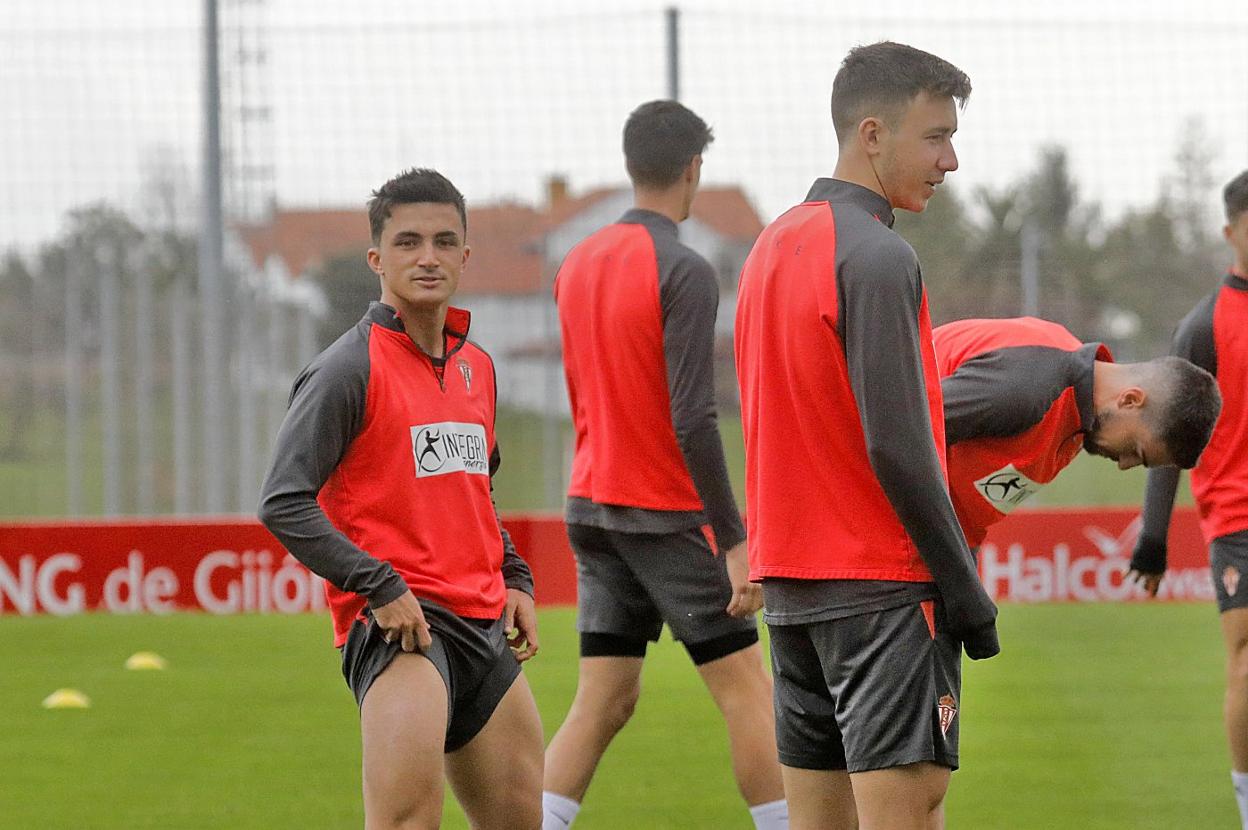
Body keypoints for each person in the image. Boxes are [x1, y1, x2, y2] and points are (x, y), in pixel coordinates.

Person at [734, 42, 998, 829]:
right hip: (881, 590)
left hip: (792, 591)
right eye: (936, 136)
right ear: (873, 135)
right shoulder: (879, 256)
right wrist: (964, 590)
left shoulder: (769, 245)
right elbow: (898, 443)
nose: (950, 159)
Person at [258, 168, 543, 830]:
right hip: (401, 627)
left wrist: (517, 577)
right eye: (408, 242)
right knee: (409, 820)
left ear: (466, 257)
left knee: (521, 821)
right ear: (376, 258)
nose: (428, 257)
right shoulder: (345, 370)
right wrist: (379, 586)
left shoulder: (480, 368)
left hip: (483, 626)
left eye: (445, 241)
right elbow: (283, 501)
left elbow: (475, 492)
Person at [543, 100, 787, 830]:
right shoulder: (684, 269)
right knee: (747, 686)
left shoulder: (575, 264)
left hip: (590, 506)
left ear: (629, 166)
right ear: (693, 170)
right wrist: (735, 541)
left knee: (605, 698)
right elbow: (691, 416)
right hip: (663, 513)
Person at [1130, 168, 1248, 829]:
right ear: (1229, 231)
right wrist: (1152, 536)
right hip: (1238, 515)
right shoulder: (1201, 327)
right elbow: (1170, 436)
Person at [935, 316, 1219, 552]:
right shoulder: (1030, 384)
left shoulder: (1075, 423)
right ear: (1130, 400)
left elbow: (965, 516)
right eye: (1136, 450)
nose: (1124, 464)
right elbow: (897, 431)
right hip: (894, 558)